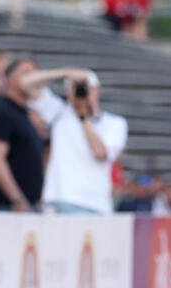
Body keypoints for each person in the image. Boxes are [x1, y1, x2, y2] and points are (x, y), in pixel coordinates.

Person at [23, 69, 127, 214]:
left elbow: (100, 152)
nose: (82, 93)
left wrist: (82, 116)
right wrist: (66, 72)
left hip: (98, 203)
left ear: (97, 90)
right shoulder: (59, 112)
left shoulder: (115, 123)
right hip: (62, 198)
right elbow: (26, 82)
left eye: (86, 88)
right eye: (76, 88)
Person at [0, 57, 45, 212]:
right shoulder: (3, 112)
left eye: (35, 73)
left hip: (28, 204)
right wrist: (17, 198)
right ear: (9, 79)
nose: (33, 78)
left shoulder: (28, 115)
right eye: (26, 73)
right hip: (9, 206)